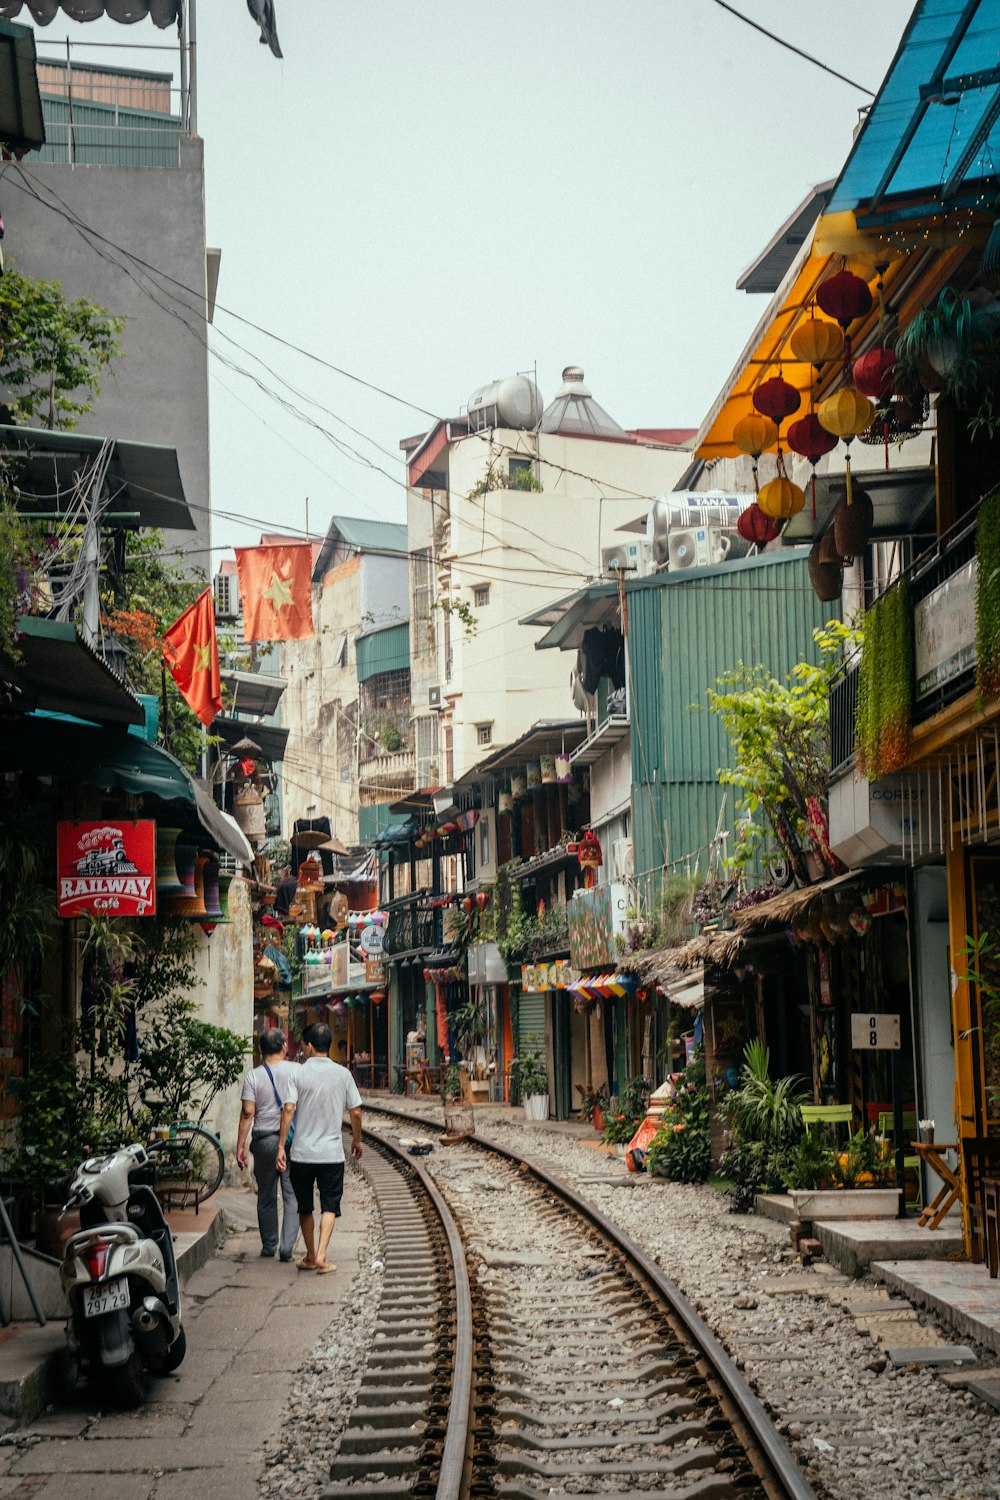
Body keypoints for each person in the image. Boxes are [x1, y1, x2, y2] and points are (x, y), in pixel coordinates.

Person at [276, 1021, 362, 1274]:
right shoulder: (343, 1074)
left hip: (302, 1153)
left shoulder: (298, 1073)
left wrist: (281, 1146)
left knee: (305, 1206)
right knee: (330, 1206)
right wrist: (357, 1140)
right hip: (331, 1154)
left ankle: (311, 1255)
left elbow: (289, 1109)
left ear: (310, 1046)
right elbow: (355, 1111)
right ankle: (323, 1256)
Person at [236, 1028, 300, 1262]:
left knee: (266, 1195)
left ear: (260, 1050)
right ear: (285, 1047)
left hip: (263, 1141)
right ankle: (286, 1248)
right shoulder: (296, 1070)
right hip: (292, 1141)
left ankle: (269, 1245)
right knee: (292, 1193)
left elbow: (247, 1113)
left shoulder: (253, 1076)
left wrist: (240, 1146)